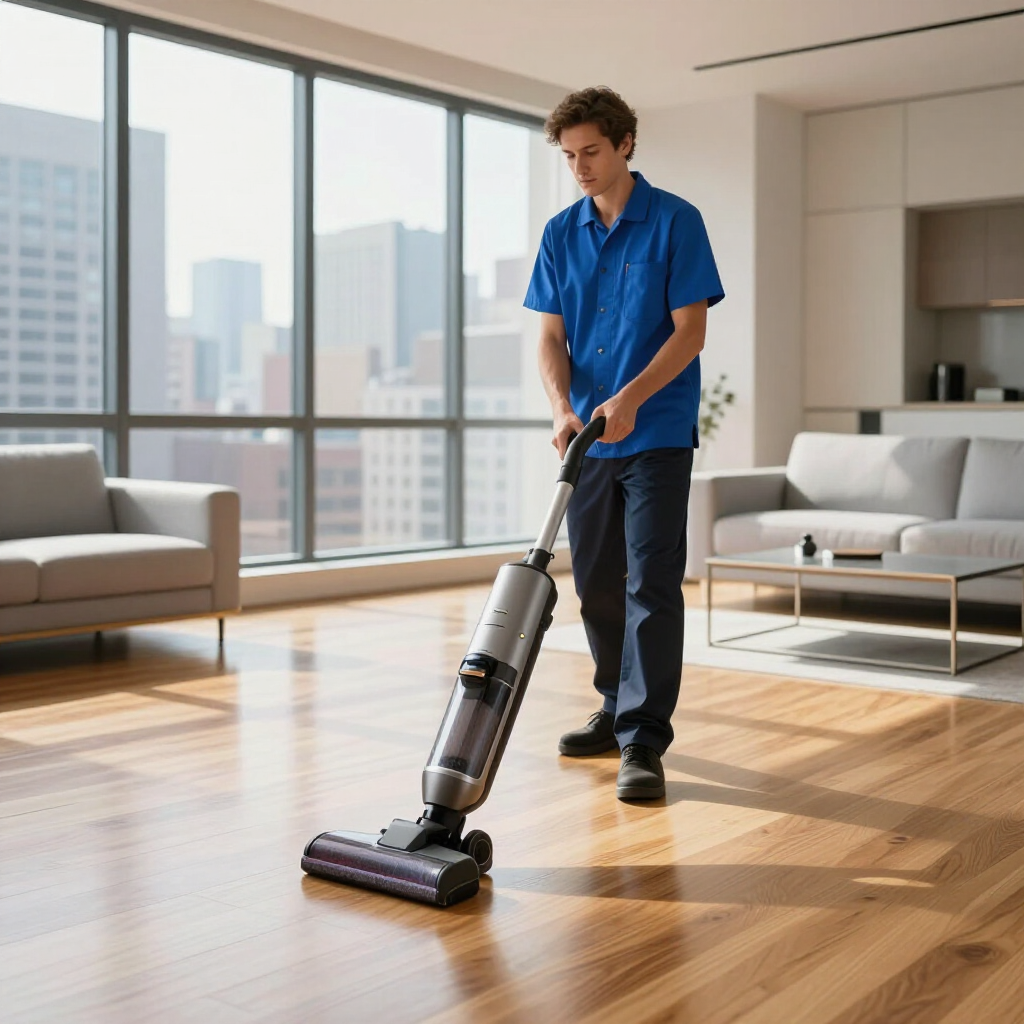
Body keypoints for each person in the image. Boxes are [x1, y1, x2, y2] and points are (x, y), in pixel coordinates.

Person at [524, 86, 725, 800]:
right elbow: (550, 336)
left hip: (658, 432)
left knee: (651, 581)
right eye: (569, 155)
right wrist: (561, 406)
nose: (579, 166)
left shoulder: (675, 221)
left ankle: (643, 738)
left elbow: (691, 331)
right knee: (598, 584)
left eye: (592, 152)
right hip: (588, 440)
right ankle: (612, 707)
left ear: (626, 143)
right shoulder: (559, 233)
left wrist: (631, 398)